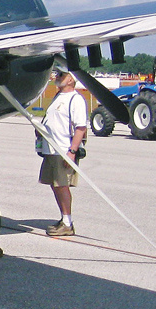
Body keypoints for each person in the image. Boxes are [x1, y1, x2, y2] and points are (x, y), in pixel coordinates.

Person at [38, 69, 88, 237]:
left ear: (71, 80)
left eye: (61, 75)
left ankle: (68, 222)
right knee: (55, 185)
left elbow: (81, 127)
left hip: (63, 149)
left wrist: (72, 151)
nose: (57, 77)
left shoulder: (76, 99)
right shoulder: (58, 97)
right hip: (50, 149)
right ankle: (63, 218)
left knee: (62, 185)